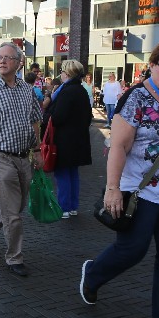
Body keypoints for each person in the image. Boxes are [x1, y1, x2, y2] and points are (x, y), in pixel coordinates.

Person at [78, 41, 159, 318]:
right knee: (133, 249)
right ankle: (93, 274)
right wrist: (112, 189)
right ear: (152, 65)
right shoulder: (136, 98)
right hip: (141, 189)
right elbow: (118, 146)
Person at [0, 42, 42, 276]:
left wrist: (38, 150)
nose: (1, 61)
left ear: (19, 63)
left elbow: (35, 122)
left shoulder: (27, 90)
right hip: (0, 156)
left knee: (17, 205)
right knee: (13, 213)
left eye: (7, 57)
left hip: (23, 156)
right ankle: (14, 258)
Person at [44, 59, 93, 217]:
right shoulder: (82, 90)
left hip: (64, 140)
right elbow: (88, 116)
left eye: (63, 72)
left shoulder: (66, 91)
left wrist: (48, 114)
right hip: (79, 139)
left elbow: (58, 117)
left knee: (62, 173)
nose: (61, 75)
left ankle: (64, 207)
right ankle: (72, 206)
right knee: (72, 173)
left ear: (68, 73)